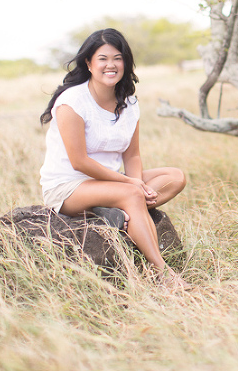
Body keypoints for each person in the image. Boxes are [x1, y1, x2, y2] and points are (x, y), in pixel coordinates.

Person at [40, 28, 189, 290]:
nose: (111, 65)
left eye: (118, 58)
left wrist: (133, 180)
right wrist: (130, 185)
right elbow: (79, 162)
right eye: (103, 58)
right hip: (69, 186)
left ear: (126, 62)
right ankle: (162, 274)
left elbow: (132, 154)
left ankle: (113, 212)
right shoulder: (72, 102)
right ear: (88, 63)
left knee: (175, 177)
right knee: (132, 195)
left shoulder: (129, 102)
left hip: (112, 182)